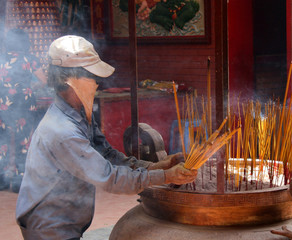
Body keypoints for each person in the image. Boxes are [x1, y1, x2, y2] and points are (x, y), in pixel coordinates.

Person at [15, 35, 197, 239]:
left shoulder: (77, 114)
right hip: (48, 225)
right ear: (72, 80)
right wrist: (166, 176)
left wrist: (155, 166)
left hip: (66, 220)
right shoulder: (62, 131)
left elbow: (106, 154)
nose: (96, 84)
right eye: (92, 77)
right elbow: (110, 177)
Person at [0, 28, 47, 191]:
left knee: (3, 141)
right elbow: (43, 80)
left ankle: (2, 180)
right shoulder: (30, 59)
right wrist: (29, 87)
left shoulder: (1, 59)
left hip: (3, 104)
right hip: (25, 104)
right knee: (23, 141)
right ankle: (19, 181)